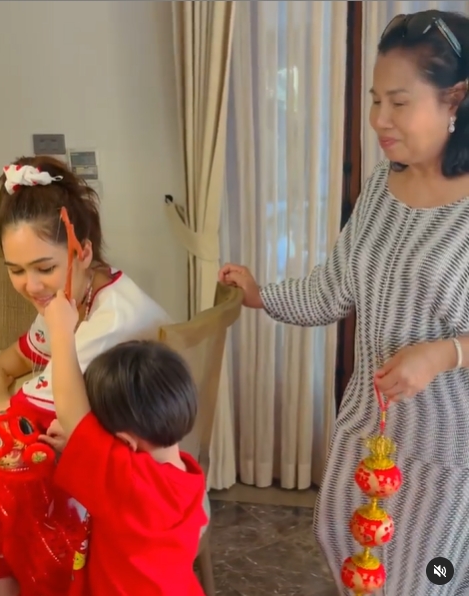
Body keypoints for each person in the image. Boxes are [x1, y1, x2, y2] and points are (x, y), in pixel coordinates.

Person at [219, 10, 469, 595]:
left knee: (425, 578)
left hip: (447, 448)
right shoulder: (382, 186)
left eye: (399, 102)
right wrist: (261, 294)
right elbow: (335, 287)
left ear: (455, 100)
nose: (379, 119)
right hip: (368, 428)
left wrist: (445, 353)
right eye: (376, 100)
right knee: (348, 551)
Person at [0, 156, 172, 596]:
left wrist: (3, 414)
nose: (31, 286)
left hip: (126, 491)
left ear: (83, 251)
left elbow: (37, 425)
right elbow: (5, 365)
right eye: (16, 270)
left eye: (44, 268)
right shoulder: (70, 296)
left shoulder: (110, 320)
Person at [44, 290, 207, 595]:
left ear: (124, 442)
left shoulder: (131, 483)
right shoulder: (184, 473)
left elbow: (70, 412)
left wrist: (61, 331)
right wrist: (83, 448)